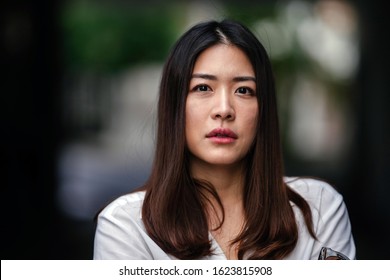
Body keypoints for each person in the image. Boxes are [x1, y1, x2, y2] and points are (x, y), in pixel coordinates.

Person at [93, 19, 356, 260]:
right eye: (203, 88)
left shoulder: (320, 209)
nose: (224, 109)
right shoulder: (126, 225)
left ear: (263, 108)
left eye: (243, 90)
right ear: (175, 106)